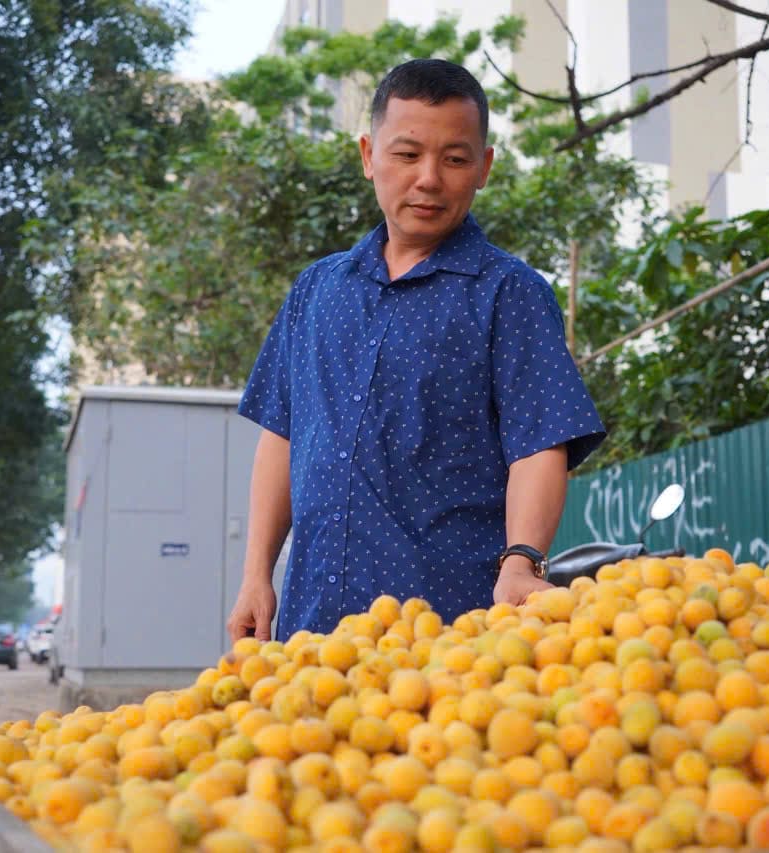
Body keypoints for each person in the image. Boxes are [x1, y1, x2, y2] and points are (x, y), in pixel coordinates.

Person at [226, 59, 605, 644]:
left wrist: (521, 562)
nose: (429, 177)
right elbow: (283, 435)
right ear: (368, 156)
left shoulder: (510, 293)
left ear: (483, 168)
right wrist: (256, 575)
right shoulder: (316, 291)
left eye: (454, 159)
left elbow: (540, 442)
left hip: (448, 634)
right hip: (311, 632)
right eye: (407, 154)